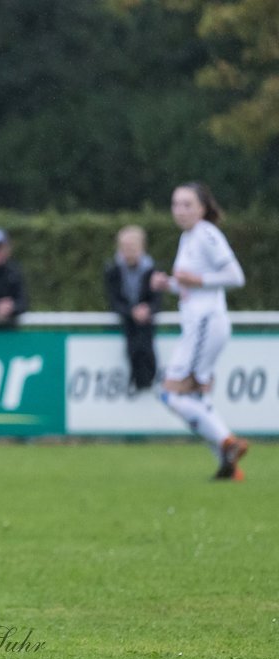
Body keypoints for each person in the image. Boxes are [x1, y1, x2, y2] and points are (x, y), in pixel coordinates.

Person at [150, 182, 249, 480]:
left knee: (172, 395)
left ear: (202, 208)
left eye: (187, 204)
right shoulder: (189, 237)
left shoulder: (207, 233)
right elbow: (189, 286)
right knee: (193, 397)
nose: (179, 210)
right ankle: (228, 466)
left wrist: (196, 279)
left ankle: (227, 442)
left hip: (206, 324)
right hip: (199, 324)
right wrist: (167, 284)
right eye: (175, 204)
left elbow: (235, 277)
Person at [103, 225, 161, 392]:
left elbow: (157, 299)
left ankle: (147, 382)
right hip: (126, 320)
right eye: (125, 247)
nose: (128, 251)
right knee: (132, 349)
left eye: (132, 247)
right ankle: (137, 382)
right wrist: (131, 312)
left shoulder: (152, 269)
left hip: (146, 320)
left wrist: (147, 309)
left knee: (145, 347)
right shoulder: (113, 270)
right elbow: (113, 299)